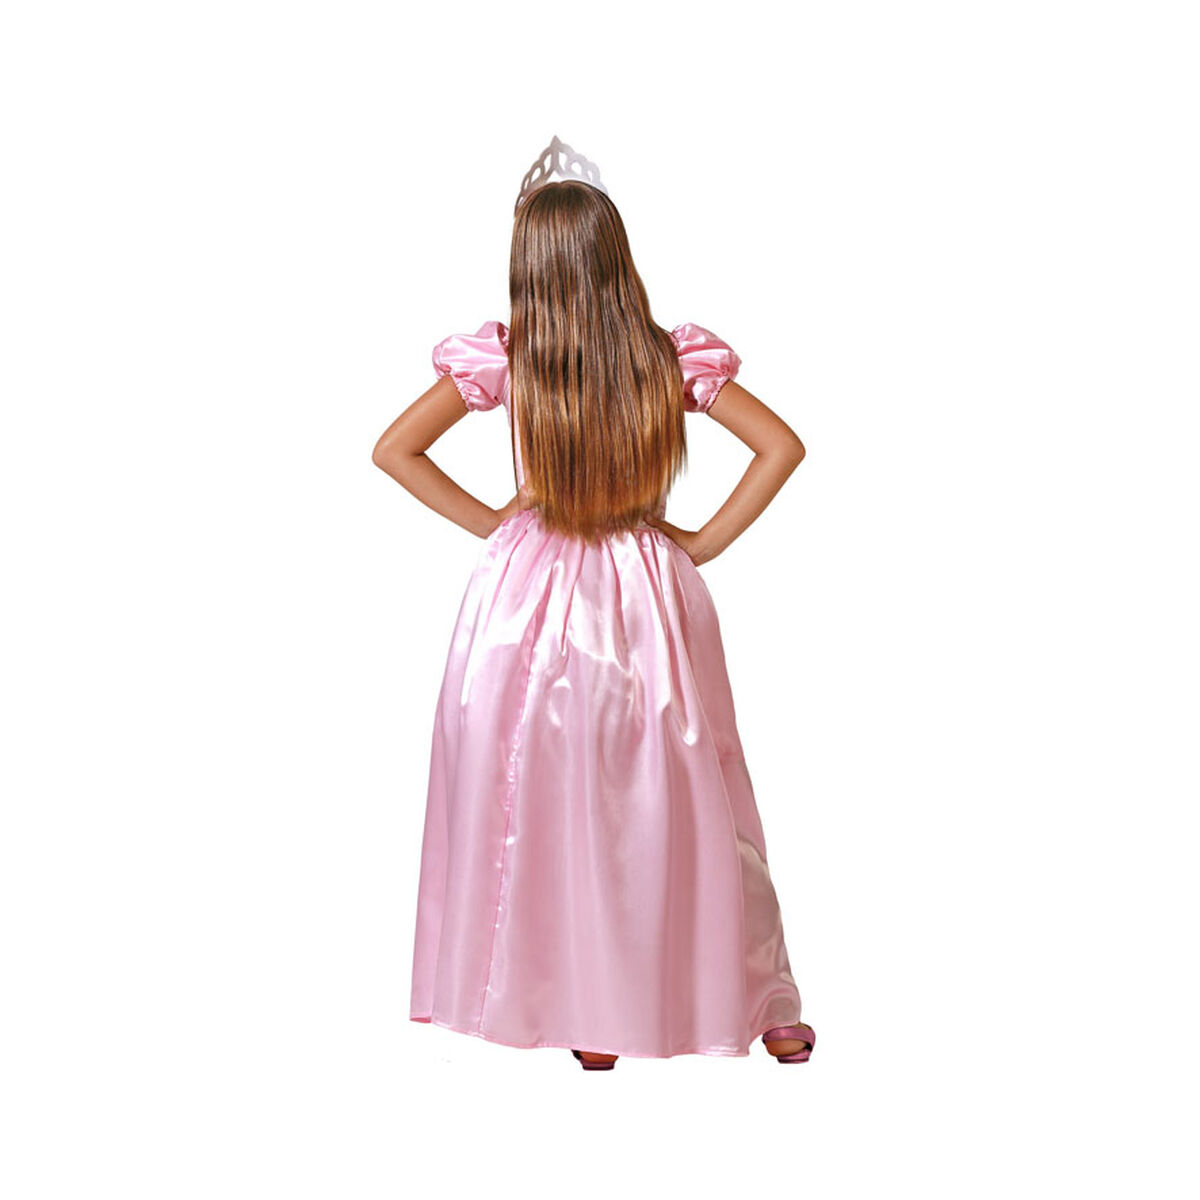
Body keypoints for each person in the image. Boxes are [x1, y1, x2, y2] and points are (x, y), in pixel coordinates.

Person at [372, 135, 815, 1070]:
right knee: (693, 796)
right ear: (618, 256)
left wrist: (498, 521)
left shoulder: (512, 360)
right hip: (646, 593)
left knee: (550, 801)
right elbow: (781, 447)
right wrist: (698, 542)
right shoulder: (668, 360)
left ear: (526, 269)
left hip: (529, 605)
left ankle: (588, 1012)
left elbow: (394, 450)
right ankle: (763, 1001)